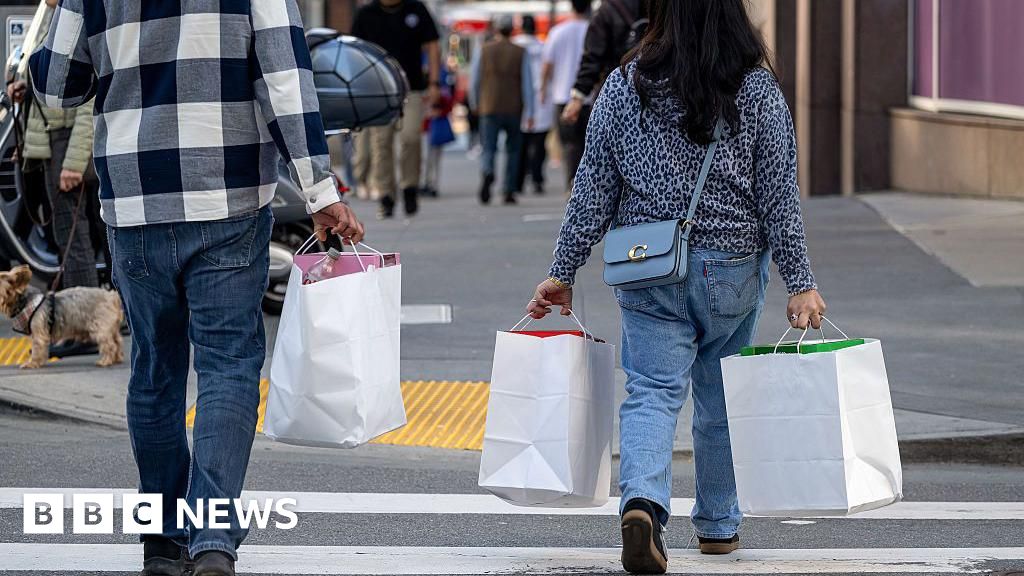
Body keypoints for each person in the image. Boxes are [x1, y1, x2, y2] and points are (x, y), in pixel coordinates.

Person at [30, 1, 363, 575]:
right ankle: (212, 540)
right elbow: (285, 83)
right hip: (227, 197)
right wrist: (319, 191)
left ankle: (162, 541)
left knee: (154, 369)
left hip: (136, 203)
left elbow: (56, 86)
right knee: (227, 365)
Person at [527, 0, 827, 573]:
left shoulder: (624, 86)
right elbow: (779, 196)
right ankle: (717, 525)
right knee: (719, 396)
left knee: (651, 391)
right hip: (731, 268)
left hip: (646, 265)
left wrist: (562, 271)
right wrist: (801, 282)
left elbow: (593, 188)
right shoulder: (756, 89)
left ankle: (643, 504)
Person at [8, 0, 100, 290]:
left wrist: (74, 163)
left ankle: (85, 312)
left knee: (74, 238)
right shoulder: (52, 16)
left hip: (66, 143)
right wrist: (26, 88)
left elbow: (89, 102)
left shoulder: (75, 14)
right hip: (53, 141)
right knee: (65, 235)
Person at [351, 0, 441, 219]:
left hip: (412, 88)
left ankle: (410, 187)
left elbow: (432, 45)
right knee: (381, 144)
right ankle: (386, 195)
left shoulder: (416, 9)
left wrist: (435, 82)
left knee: (411, 137)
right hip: (378, 91)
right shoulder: (366, 14)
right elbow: (355, 52)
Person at [470, 15, 535, 205]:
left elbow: (475, 80)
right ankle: (509, 189)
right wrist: (530, 111)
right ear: (512, 30)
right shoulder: (520, 52)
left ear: (497, 29)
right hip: (514, 107)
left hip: (489, 105)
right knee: (513, 150)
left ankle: (488, 171)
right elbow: (527, 83)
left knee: (488, 146)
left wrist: (474, 103)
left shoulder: (483, 50)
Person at [562, 0, 648, 125]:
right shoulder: (660, 6)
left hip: (616, 95)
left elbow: (593, 56)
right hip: (653, 94)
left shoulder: (607, 10)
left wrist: (578, 97)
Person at [540, 0, 591, 193]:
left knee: (569, 143)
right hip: (588, 97)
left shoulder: (557, 32)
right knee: (587, 143)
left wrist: (543, 89)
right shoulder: (592, 30)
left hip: (562, 96)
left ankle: (571, 181)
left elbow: (547, 64)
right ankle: (584, 183)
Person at [513, 15, 553, 196]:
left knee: (519, 144)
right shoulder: (543, 46)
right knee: (539, 143)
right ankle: (537, 179)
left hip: (520, 98)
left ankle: (517, 181)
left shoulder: (515, 45)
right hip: (542, 99)